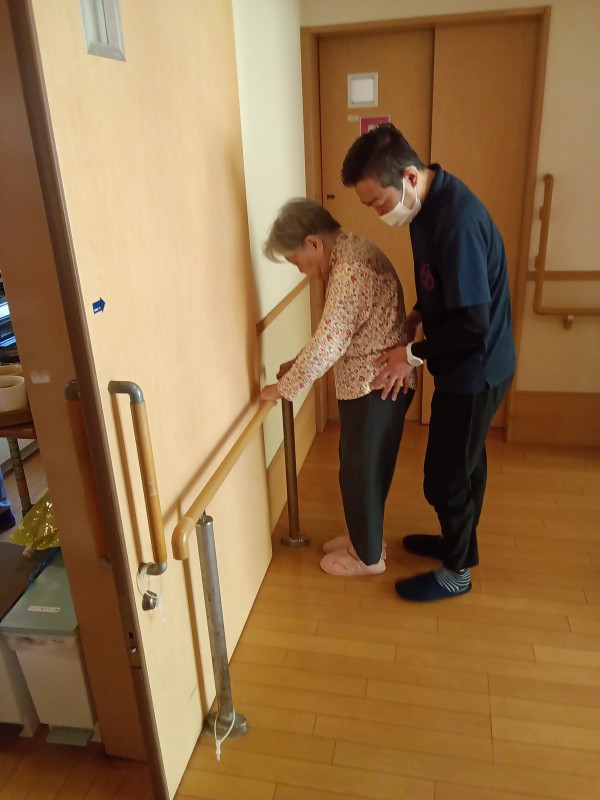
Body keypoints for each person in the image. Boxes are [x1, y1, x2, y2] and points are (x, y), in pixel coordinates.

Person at [341, 123, 516, 602]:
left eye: (379, 202)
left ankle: (457, 572)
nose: (379, 214)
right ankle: (458, 543)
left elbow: (473, 323)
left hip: (477, 368)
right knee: (466, 462)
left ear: (409, 177)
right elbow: (442, 281)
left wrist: (411, 355)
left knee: (444, 478)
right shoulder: (425, 207)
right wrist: (419, 313)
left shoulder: (455, 221)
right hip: (465, 362)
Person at [260, 198, 415, 576]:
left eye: (296, 261)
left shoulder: (348, 270)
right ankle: (365, 538)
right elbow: (338, 335)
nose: (301, 271)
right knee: (364, 468)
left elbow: (329, 344)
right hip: (374, 384)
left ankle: (368, 557)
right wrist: (298, 363)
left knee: (361, 473)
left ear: (313, 243)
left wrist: (284, 388)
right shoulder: (353, 252)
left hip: (373, 387)